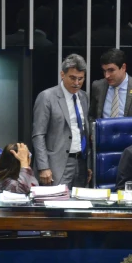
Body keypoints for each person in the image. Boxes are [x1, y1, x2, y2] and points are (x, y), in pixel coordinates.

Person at [32, 54, 90, 188]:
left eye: (80, 79)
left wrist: (89, 164)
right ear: (62, 75)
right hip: (56, 164)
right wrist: (43, 167)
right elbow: (38, 135)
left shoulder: (84, 97)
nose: (77, 83)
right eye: (73, 78)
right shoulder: (46, 97)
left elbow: (85, 131)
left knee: (79, 206)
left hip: (81, 163)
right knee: (56, 205)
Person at [89, 48, 132, 120]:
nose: (107, 76)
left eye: (111, 70)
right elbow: (92, 116)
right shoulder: (98, 86)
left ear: (123, 67)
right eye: (104, 71)